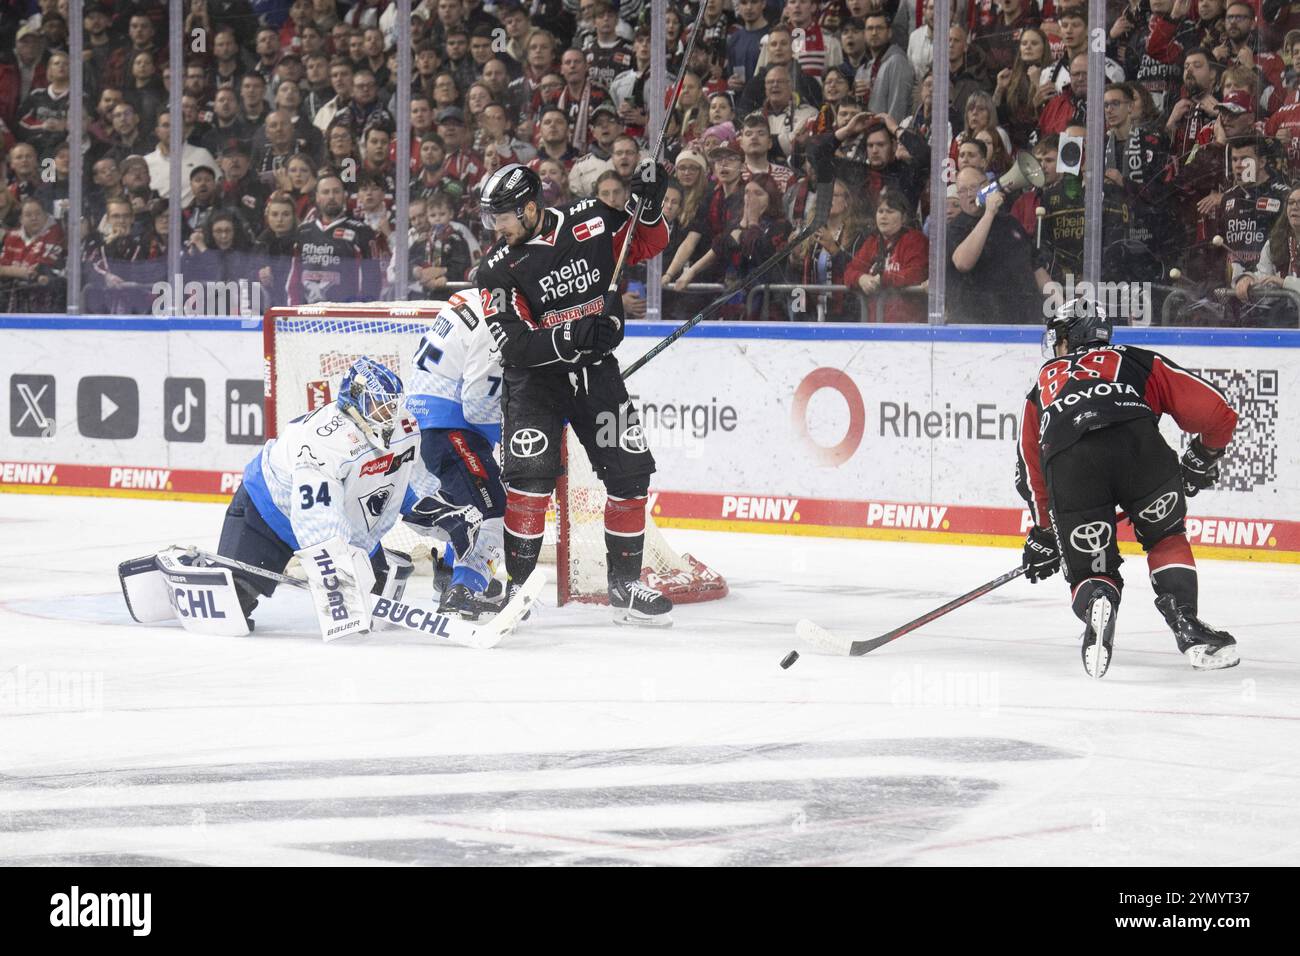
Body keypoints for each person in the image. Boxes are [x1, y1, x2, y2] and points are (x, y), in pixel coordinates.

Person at [475, 160, 674, 625]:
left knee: (630, 477)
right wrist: (574, 335)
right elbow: (516, 345)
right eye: (492, 219)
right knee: (529, 480)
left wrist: (650, 206)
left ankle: (624, 588)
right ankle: (517, 591)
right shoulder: (497, 270)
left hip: (595, 375)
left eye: (502, 217)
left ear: (529, 208)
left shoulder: (592, 219)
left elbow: (648, 242)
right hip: (535, 384)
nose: (497, 227)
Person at [1015, 298, 1241, 677]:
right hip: (1140, 451)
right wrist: (1202, 456)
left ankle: (1098, 596)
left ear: (1070, 337)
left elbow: (1031, 468)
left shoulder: (1042, 385)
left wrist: (1045, 533)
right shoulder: (1135, 360)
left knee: (1091, 566)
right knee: (1165, 535)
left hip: (1072, 465)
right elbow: (1218, 411)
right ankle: (1188, 625)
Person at [219, 357, 481, 632]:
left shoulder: (403, 428)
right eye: (379, 405)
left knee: (374, 607)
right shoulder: (321, 443)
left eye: (391, 404)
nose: (388, 413)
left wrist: (440, 515)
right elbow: (317, 521)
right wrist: (341, 577)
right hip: (268, 513)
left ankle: (375, 565)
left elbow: (400, 485)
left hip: (344, 524)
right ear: (354, 399)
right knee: (233, 605)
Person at [405, 288, 509, 619]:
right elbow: (478, 406)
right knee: (493, 512)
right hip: (449, 431)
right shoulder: (497, 320)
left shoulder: (469, 296)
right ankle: (464, 590)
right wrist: (518, 432)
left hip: (416, 425)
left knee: (462, 511)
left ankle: (451, 571)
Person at [947, 165, 1041, 324]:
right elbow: (963, 262)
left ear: (987, 186)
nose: (969, 194)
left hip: (1021, 321)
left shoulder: (1010, 223)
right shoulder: (955, 228)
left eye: (974, 187)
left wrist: (1057, 298)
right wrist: (989, 213)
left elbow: (1034, 266)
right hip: (976, 324)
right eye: (962, 191)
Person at [285, 173, 382, 304]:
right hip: (306, 315)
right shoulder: (303, 232)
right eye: (325, 192)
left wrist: (360, 316)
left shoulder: (362, 232)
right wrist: (293, 313)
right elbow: (294, 279)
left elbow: (372, 281)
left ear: (344, 196)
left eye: (336, 192)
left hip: (345, 316)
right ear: (317, 197)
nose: (331, 196)